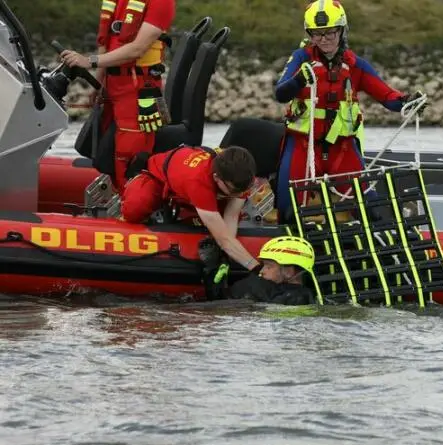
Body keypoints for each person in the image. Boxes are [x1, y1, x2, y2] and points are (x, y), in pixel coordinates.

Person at [274, 0, 424, 222]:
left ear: (342, 30)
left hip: (342, 148)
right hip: (303, 146)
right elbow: (281, 94)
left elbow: (388, 97)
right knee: (288, 211)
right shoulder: (301, 58)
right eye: (317, 34)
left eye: (330, 33)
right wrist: (299, 80)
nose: (323, 39)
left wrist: (408, 102)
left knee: (371, 209)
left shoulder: (356, 65)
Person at [59, 0, 176, 192]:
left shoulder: (161, 2)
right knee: (109, 152)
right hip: (112, 87)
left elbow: (137, 49)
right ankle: (119, 203)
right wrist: (97, 85)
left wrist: (88, 61)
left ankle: (134, 208)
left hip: (138, 90)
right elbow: (107, 43)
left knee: (129, 157)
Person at [121, 145, 265, 274]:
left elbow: (231, 218)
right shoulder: (198, 181)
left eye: (243, 191)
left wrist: (224, 256)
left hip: (205, 188)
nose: (240, 195)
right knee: (135, 207)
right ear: (216, 178)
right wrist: (256, 268)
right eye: (235, 191)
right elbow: (224, 240)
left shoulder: (240, 178)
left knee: (218, 221)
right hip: (159, 177)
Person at [201, 236, 318, 305]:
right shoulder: (272, 290)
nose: (261, 271)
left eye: (268, 266)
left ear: (288, 271)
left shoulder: (298, 298)